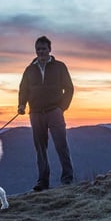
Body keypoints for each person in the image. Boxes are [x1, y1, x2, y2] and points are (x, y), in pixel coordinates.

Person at [18, 35, 75, 191]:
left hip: (54, 112)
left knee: (61, 145)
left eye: (43, 49)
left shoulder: (59, 67)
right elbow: (24, 90)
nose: (41, 52)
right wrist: (21, 105)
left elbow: (69, 88)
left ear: (50, 49)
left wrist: (61, 108)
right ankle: (42, 182)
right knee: (40, 149)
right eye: (38, 49)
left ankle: (67, 179)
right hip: (35, 113)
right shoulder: (29, 69)